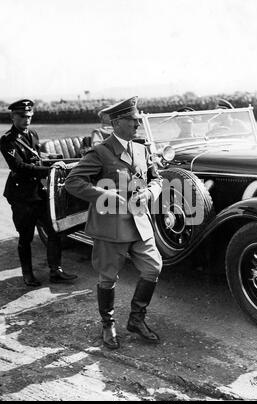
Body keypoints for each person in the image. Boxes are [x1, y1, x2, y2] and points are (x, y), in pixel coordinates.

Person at [65, 96, 163, 349]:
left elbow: (157, 179)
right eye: (133, 121)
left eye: (138, 120)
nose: (138, 125)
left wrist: (150, 192)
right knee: (108, 278)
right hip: (110, 227)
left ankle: (136, 320)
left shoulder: (141, 149)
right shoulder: (100, 152)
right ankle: (107, 324)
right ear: (117, 122)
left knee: (153, 267)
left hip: (139, 223)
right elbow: (73, 182)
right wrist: (103, 194)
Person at [0, 99, 78, 287]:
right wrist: (49, 171)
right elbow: (19, 167)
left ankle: (56, 271)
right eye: (22, 116)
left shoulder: (32, 134)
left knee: (53, 231)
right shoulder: (7, 140)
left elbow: (36, 159)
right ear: (13, 117)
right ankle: (28, 274)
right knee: (25, 236)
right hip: (21, 196)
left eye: (29, 116)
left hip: (38, 192)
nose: (27, 120)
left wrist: (52, 162)